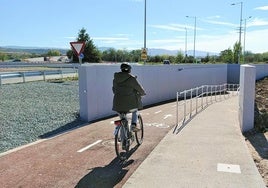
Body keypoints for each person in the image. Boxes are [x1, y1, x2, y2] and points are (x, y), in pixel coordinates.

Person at [112, 63, 146, 131]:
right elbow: (139, 88)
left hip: (117, 104)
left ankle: (122, 137)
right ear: (129, 70)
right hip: (130, 105)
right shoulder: (131, 79)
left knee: (123, 118)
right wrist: (143, 93)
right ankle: (133, 125)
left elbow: (114, 90)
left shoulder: (115, 79)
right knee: (135, 111)